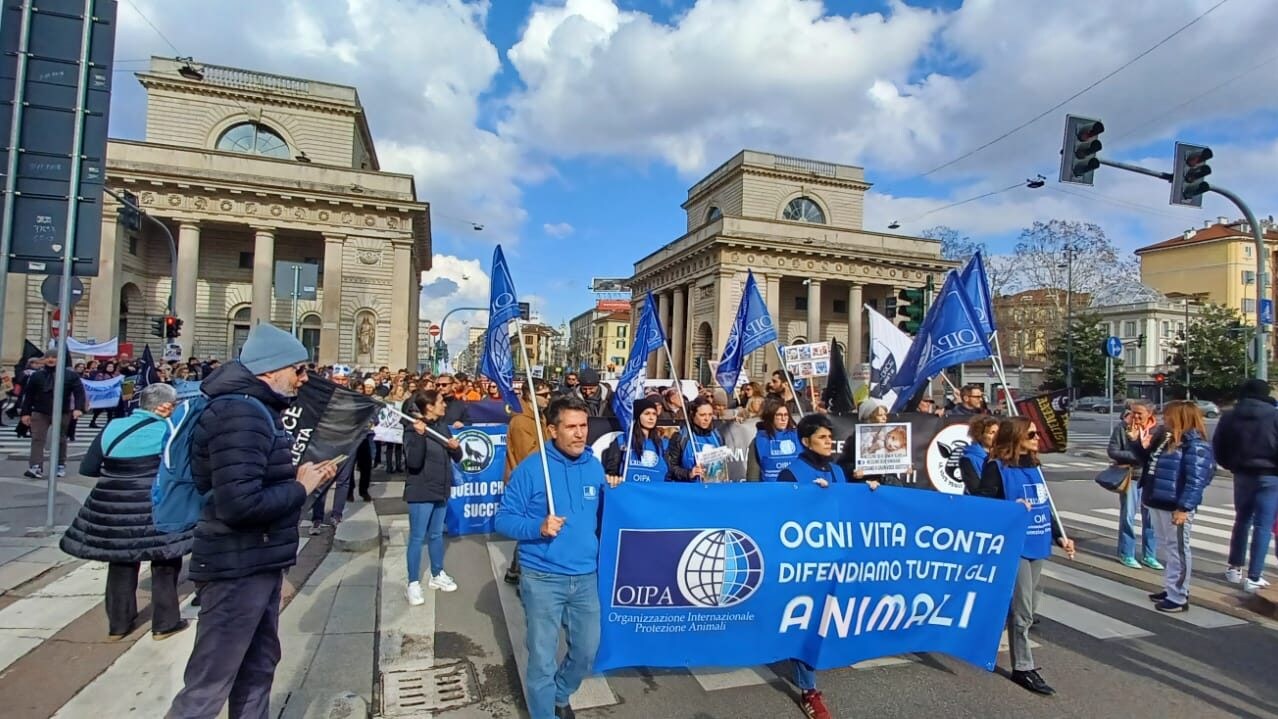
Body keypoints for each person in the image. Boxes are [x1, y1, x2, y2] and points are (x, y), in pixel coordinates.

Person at [166, 324, 336, 718]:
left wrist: (298, 479)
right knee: (210, 685)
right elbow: (239, 504)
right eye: (299, 369)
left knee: (257, 669)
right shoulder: (240, 412)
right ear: (270, 370)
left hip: (255, 560)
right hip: (237, 564)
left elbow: (250, 483)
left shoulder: (252, 408)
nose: (304, 378)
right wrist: (301, 487)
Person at [495, 396, 616, 719]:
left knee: (587, 651)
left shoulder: (593, 466)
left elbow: (604, 514)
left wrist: (615, 488)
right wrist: (537, 526)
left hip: (586, 577)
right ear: (552, 430)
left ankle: (560, 694)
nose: (580, 433)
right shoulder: (532, 469)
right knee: (542, 660)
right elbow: (503, 519)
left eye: (583, 426)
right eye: (571, 427)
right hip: (543, 578)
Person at [60, 383, 191, 641]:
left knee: (120, 562)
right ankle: (165, 624)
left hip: (113, 506)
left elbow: (89, 468)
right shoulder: (170, 430)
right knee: (165, 561)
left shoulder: (113, 427)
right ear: (166, 407)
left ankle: (119, 625)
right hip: (157, 504)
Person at [976, 417, 1076, 696]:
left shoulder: (1034, 466)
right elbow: (981, 505)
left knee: (1026, 608)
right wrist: (1010, 508)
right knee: (1023, 611)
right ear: (1016, 437)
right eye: (1031, 434)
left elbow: (1045, 506)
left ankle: (983, 632)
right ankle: (1023, 667)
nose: (1037, 438)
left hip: (1038, 542)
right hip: (1015, 546)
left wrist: (1060, 536)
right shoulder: (997, 467)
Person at [775, 413, 856, 719]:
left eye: (830, 437)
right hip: (805, 562)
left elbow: (849, 507)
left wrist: (869, 490)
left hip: (835, 558)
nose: (829, 442)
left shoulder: (837, 471)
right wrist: (810, 500)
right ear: (806, 442)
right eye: (822, 437)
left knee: (826, 617)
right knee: (806, 622)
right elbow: (783, 519)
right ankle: (809, 691)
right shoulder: (791, 475)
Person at [1143, 400, 1215, 611]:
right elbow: (1149, 463)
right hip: (1158, 500)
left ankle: (1178, 597)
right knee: (1167, 547)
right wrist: (1140, 443)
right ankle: (1171, 587)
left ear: (1180, 418)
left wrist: (1184, 507)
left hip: (1175, 505)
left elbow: (1197, 481)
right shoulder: (1169, 439)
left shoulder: (1195, 445)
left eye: (1168, 416)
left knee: (1178, 550)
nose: (1164, 420)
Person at [1213, 378, 1278, 593]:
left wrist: (1231, 465)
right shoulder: (1274, 415)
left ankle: (1234, 568)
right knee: (1263, 526)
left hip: (1241, 474)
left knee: (1242, 520)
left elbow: (1219, 447)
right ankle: (1254, 576)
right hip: (1270, 476)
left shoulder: (1230, 415)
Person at [404, 390, 463, 603]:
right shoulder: (413, 429)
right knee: (417, 537)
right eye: (440, 402)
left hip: (441, 489)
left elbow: (457, 456)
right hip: (421, 491)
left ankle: (437, 574)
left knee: (436, 534)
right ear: (429, 406)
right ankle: (412, 583)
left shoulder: (441, 427)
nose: (444, 405)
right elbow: (413, 462)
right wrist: (420, 436)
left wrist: (455, 449)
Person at [503, 379, 551, 585]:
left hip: (537, 478)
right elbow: (528, 455)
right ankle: (522, 574)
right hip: (526, 481)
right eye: (544, 395)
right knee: (532, 525)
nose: (549, 398)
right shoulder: (522, 421)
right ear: (531, 395)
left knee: (533, 525)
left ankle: (515, 570)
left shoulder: (539, 416)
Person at [1108, 401, 1163, 570]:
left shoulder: (1158, 430)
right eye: (1133, 412)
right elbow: (1113, 451)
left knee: (1151, 519)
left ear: (1149, 414)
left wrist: (1146, 455)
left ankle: (1149, 555)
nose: (1135, 416)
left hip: (1151, 478)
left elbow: (1161, 453)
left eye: (1140, 413)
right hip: (1131, 477)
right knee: (1128, 516)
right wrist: (1138, 456)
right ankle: (1126, 553)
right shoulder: (1122, 428)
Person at [19, 353, 88, 480]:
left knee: (60, 438)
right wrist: (25, 413)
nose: (51, 359)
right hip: (40, 411)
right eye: (48, 357)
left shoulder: (70, 375)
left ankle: (60, 464)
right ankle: (35, 466)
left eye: (54, 357)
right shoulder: (37, 375)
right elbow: (28, 395)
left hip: (62, 411)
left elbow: (79, 392)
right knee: (37, 438)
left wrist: (78, 408)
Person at [603, 395, 670, 484]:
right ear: (638, 416)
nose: (651, 418)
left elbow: (668, 472)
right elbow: (612, 471)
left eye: (654, 414)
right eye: (647, 413)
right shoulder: (622, 440)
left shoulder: (661, 444)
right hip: (630, 489)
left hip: (655, 490)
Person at [665, 398, 725, 482]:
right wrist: (689, 473)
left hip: (714, 486)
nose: (707, 419)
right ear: (693, 415)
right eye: (702, 415)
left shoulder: (717, 435)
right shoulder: (681, 437)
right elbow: (671, 468)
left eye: (710, 414)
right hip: (690, 487)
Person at [746, 400, 799, 481]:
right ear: (770, 417)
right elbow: (752, 476)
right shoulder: (758, 441)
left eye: (786, 415)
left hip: (795, 487)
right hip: (770, 487)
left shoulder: (798, 437)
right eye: (779, 415)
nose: (783, 419)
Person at [959, 415, 1000, 495]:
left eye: (998, 433)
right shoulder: (968, 459)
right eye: (992, 433)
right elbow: (974, 489)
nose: (996, 436)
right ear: (980, 435)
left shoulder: (1002, 457)